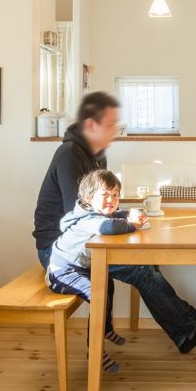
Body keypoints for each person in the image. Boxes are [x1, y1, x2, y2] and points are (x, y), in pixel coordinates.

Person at [49, 169, 196, 371]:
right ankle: (96, 350)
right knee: (100, 295)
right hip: (65, 272)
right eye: (104, 195)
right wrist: (132, 225)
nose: (111, 200)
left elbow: (114, 216)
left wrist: (127, 214)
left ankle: (187, 330)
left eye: (115, 195)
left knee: (143, 270)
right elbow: (109, 227)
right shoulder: (87, 219)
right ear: (88, 197)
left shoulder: (94, 211)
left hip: (89, 263)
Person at [33, 92, 122, 269]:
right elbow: (76, 215)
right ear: (91, 125)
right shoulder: (69, 154)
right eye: (110, 125)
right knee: (141, 269)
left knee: (143, 267)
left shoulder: (99, 157)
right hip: (57, 248)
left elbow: (100, 208)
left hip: (83, 238)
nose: (115, 131)